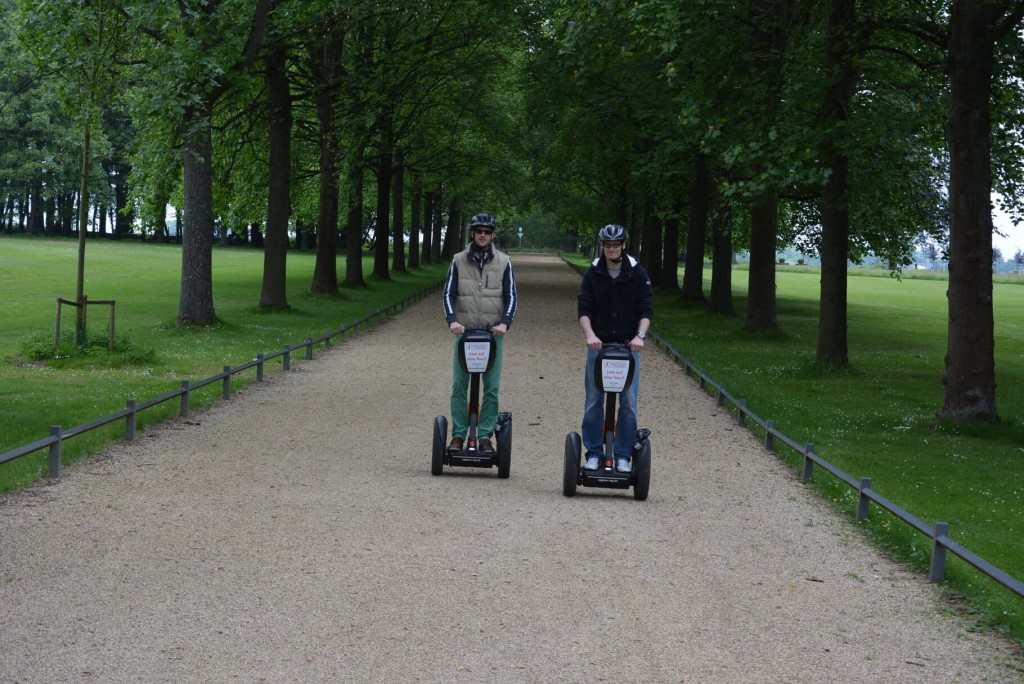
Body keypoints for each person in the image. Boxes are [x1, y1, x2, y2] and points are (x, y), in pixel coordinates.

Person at [577, 223, 653, 473]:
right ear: (603, 247)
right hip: (598, 347)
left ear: (623, 245)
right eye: (608, 245)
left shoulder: (637, 273)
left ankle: (622, 455)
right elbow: (584, 309)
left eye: (616, 245)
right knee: (593, 401)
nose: (611, 249)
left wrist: (640, 336)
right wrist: (590, 335)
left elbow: (646, 310)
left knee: (628, 402)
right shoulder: (593, 273)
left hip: (628, 348)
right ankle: (594, 453)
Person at [442, 213, 518, 453]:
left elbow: (511, 296)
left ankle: (485, 436)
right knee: (459, 386)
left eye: (487, 232)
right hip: (464, 333)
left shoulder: (504, 261)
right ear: (472, 234)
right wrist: (453, 321)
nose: (483, 235)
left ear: (492, 235)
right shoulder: (458, 260)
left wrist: (504, 324)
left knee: (491, 388)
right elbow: (448, 294)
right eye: (479, 231)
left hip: (493, 335)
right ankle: (458, 434)